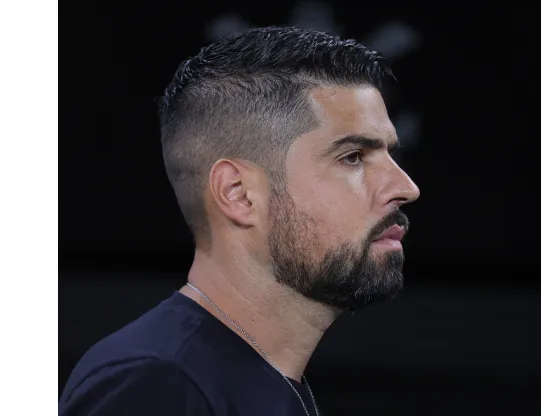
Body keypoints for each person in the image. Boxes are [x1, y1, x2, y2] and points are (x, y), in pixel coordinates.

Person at [59, 26, 420, 416]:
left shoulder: (251, 380)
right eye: (352, 157)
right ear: (238, 193)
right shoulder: (158, 384)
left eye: (390, 154)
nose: (406, 187)